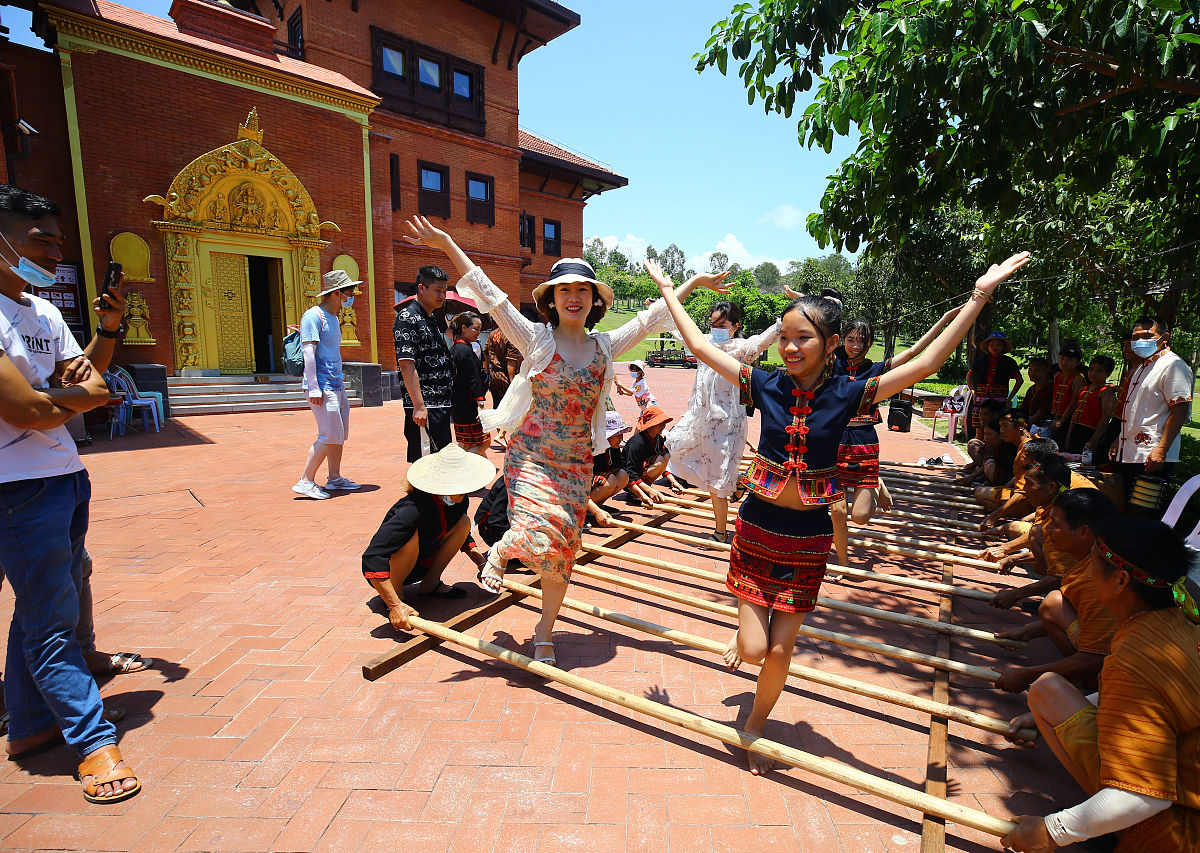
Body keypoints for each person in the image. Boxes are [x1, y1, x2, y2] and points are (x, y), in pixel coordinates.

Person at [650, 247, 1030, 774]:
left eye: (801, 338)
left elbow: (928, 363)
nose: (788, 347)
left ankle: (755, 725)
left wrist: (980, 294)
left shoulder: (850, 393)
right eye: (782, 338)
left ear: (830, 344)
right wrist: (671, 289)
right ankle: (747, 640)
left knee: (781, 652)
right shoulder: (764, 383)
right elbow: (695, 343)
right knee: (756, 649)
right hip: (757, 530)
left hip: (808, 540)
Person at [401, 216, 728, 666]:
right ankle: (502, 547)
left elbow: (653, 318)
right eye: (564, 290)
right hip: (532, 457)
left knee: (563, 553)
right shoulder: (536, 338)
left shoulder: (605, 345)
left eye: (582, 290)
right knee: (539, 529)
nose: (573, 297)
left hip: (576, 463)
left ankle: (545, 630)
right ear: (551, 300)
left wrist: (690, 281)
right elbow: (491, 295)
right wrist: (448, 244)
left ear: (593, 300)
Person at [0, 183, 138, 802]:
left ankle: (28, 726)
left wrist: (107, 331)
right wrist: (69, 399)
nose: (55, 250)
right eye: (39, 240)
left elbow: (86, 377)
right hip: (16, 488)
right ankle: (92, 742)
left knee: (49, 601)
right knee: (52, 619)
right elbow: (27, 408)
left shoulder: (41, 310)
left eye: (57, 239)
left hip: (64, 476)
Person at [1003, 518, 1200, 853]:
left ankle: (1117, 823)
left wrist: (1053, 831)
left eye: (1093, 563)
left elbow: (1145, 795)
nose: (1087, 572)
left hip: (1179, 832)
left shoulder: (1137, 656)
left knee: (1047, 690)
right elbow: (1152, 702)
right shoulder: (1178, 616)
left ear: (1121, 580)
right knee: (1050, 693)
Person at [826, 310, 960, 565]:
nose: (855, 345)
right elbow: (817, 333)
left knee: (861, 517)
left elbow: (913, 353)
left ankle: (876, 484)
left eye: (861, 341)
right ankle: (843, 563)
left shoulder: (877, 369)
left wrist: (943, 320)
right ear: (843, 339)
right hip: (834, 442)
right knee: (838, 512)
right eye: (851, 339)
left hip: (864, 443)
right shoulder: (832, 363)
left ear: (868, 344)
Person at [666, 301, 781, 544]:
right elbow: (680, 329)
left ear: (735, 326)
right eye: (713, 323)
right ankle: (738, 483)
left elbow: (765, 339)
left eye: (722, 324)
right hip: (700, 419)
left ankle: (720, 532)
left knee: (718, 480)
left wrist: (785, 321)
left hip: (727, 424)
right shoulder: (703, 343)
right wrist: (663, 307)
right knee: (675, 447)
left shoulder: (741, 348)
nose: (716, 328)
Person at [991, 488, 1120, 693]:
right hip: (1116, 647)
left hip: (1119, 666)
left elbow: (1096, 658)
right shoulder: (1095, 556)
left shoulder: (1097, 579)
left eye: (1056, 525)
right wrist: (1027, 632)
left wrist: (1027, 675)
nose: (1048, 529)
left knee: (1052, 603)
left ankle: (1091, 680)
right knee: (1055, 603)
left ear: (1084, 532)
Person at [361, 443, 496, 631]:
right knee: (410, 537)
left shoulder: (459, 500)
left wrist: (483, 565)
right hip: (391, 573)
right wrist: (394, 606)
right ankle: (397, 597)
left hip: (422, 563)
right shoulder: (413, 509)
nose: (463, 491)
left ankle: (430, 585)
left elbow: (460, 533)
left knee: (464, 522)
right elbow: (372, 557)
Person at [293, 270, 360, 499]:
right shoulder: (314, 315)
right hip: (322, 386)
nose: (352, 295)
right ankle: (305, 480)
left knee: (338, 435)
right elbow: (308, 352)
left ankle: (334, 478)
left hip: (336, 384)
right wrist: (313, 387)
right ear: (337, 293)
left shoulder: (333, 317)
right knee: (328, 434)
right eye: (349, 291)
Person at [1111, 315, 1193, 500]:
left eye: (1147, 336)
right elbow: (1136, 411)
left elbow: (1179, 410)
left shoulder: (1173, 365)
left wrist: (1161, 449)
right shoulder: (1142, 366)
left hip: (1151, 456)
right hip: (1131, 453)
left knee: (1145, 512)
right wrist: (1119, 439)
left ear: (1164, 338)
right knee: (1130, 508)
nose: (1140, 341)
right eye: (1135, 337)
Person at [396, 265, 454, 462]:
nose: (442, 296)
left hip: (440, 404)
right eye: (437, 290)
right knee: (426, 463)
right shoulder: (407, 317)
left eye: (444, 291)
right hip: (426, 406)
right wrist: (419, 406)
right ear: (421, 288)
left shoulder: (429, 318)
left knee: (440, 460)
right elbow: (406, 364)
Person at [623, 405, 684, 507]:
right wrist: (646, 491)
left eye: (664, 423)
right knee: (661, 459)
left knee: (666, 456)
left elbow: (665, 465)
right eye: (660, 423)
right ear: (651, 425)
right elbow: (630, 472)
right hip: (630, 481)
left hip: (642, 474)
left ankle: (646, 488)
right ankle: (636, 493)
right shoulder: (636, 443)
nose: (663, 426)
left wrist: (673, 481)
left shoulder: (658, 439)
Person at [966, 330, 1023, 440]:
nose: (994, 347)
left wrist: (1009, 398)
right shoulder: (981, 360)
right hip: (981, 399)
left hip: (1000, 399)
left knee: (998, 428)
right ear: (987, 346)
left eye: (998, 345)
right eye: (992, 344)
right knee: (980, 429)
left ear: (1003, 346)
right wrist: (973, 391)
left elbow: (1019, 380)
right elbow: (969, 376)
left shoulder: (1009, 362)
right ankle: (979, 450)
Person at [448, 311, 490, 455]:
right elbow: (473, 377)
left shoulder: (454, 349)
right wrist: (480, 399)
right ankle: (460, 466)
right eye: (476, 329)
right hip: (468, 404)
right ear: (464, 328)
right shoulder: (465, 350)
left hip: (458, 404)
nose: (478, 333)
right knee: (484, 441)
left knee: (466, 442)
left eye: (480, 330)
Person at [975, 409, 1032, 512]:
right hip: (1029, 495)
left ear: (1021, 426)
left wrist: (995, 516)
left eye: (1005, 425)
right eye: (1000, 426)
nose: (1001, 430)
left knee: (980, 493)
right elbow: (1019, 478)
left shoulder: (1028, 451)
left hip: (1031, 499)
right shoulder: (1023, 446)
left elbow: (1021, 493)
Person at [1064, 354, 1116, 456]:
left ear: (1108, 373)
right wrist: (1069, 434)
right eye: (1091, 369)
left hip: (1092, 432)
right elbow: (1076, 413)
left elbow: (1106, 418)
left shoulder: (1106, 393)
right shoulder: (1083, 389)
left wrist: (1094, 439)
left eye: (1099, 371)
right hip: (1076, 431)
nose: (1093, 373)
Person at [588, 410, 631, 527]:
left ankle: (598, 505)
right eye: (617, 434)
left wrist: (643, 494)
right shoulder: (592, 449)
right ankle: (588, 510)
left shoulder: (613, 448)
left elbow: (619, 467)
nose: (621, 438)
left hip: (596, 484)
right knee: (609, 480)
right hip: (584, 488)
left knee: (622, 475)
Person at [1048, 341, 1086, 445]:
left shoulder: (1078, 378)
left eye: (1069, 360)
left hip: (1070, 418)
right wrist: (1056, 419)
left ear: (1077, 363)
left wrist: (1060, 422)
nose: (1064, 362)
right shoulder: (1058, 376)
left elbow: (1074, 402)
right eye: (1062, 358)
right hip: (1057, 416)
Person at [482, 325, 522, 408]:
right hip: (505, 377)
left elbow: (485, 353)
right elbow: (511, 360)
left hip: (494, 376)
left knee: (496, 406)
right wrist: (512, 382)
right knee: (508, 409)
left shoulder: (493, 333)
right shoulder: (511, 335)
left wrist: (487, 372)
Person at [1018, 357, 1054, 426]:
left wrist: (1022, 424)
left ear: (1046, 371)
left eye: (1036, 370)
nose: (1032, 373)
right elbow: (1022, 411)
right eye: (1030, 370)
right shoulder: (1031, 389)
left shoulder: (1051, 388)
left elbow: (1041, 415)